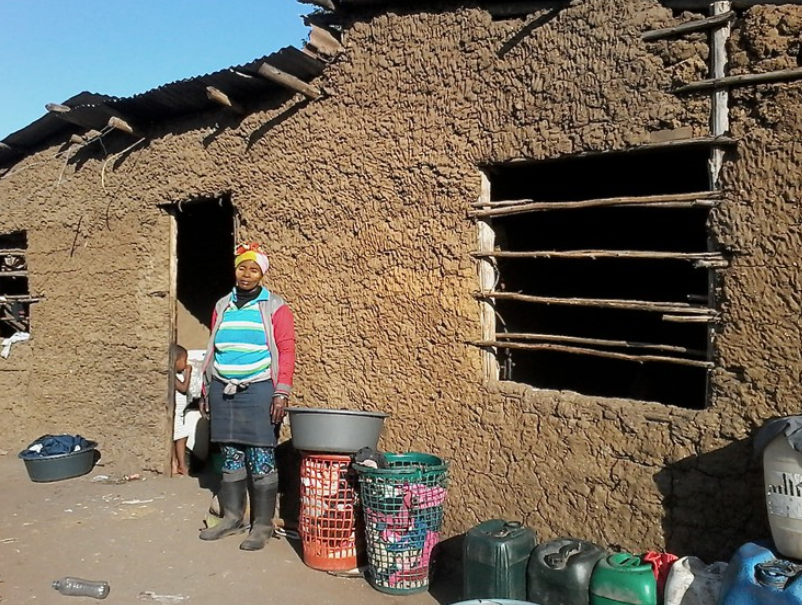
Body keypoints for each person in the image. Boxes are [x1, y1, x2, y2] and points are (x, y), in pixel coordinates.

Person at [199, 243, 296, 551]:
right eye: (242, 267)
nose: (246, 274)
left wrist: (281, 392)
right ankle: (231, 517)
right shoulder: (222, 305)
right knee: (230, 454)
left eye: (253, 269)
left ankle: (262, 525)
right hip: (223, 387)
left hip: (258, 389)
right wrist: (205, 387)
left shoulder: (275, 307)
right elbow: (213, 346)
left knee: (261, 455)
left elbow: (287, 349)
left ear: (262, 274)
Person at [171, 343, 193, 476]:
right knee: (181, 436)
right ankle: (182, 465)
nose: (186, 363)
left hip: (179, 413)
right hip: (175, 413)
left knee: (178, 436)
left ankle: (176, 464)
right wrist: (188, 374)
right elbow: (184, 388)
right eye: (184, 360)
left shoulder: (176, 375)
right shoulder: (173, 376)